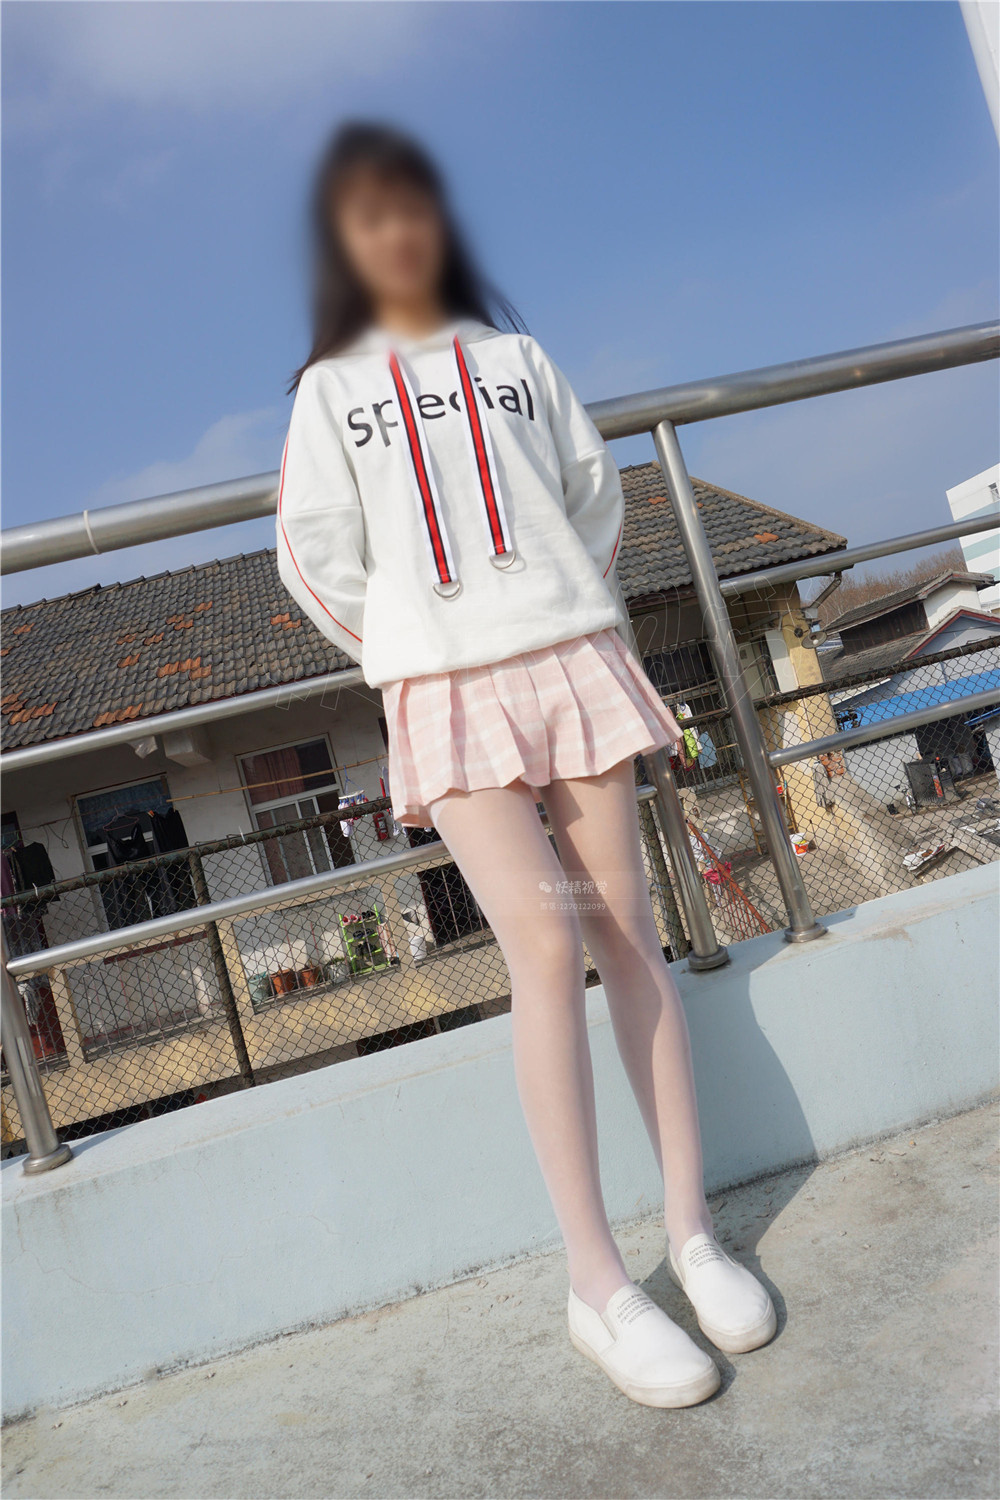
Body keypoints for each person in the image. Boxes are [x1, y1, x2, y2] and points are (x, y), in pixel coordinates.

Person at [277, 122, 775, 1408]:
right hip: (443, 693)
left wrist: (552, 606)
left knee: (629, 936)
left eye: (412, 208)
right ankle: (596, 1283)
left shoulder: (517, 359)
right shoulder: (326, 392)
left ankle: (691, 1235)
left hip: (569, 658)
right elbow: (316, 558)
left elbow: (591, 496)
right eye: (367, 217)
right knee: (545, 950)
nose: (396, 233)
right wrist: (413, 645)